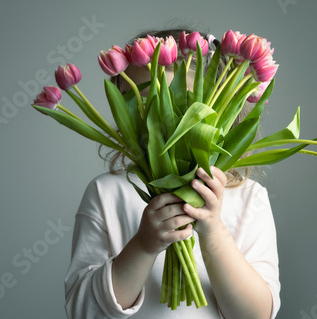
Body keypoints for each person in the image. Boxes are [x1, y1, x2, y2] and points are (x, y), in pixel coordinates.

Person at [64, 29, 281, 318]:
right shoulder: (106, 194)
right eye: (136, 103)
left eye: (176, 103)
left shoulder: (249, 198)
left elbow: (256, 315)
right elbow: (84, 311)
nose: (154, 117)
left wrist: (213, 231)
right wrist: (144, 244)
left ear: (217, 109)